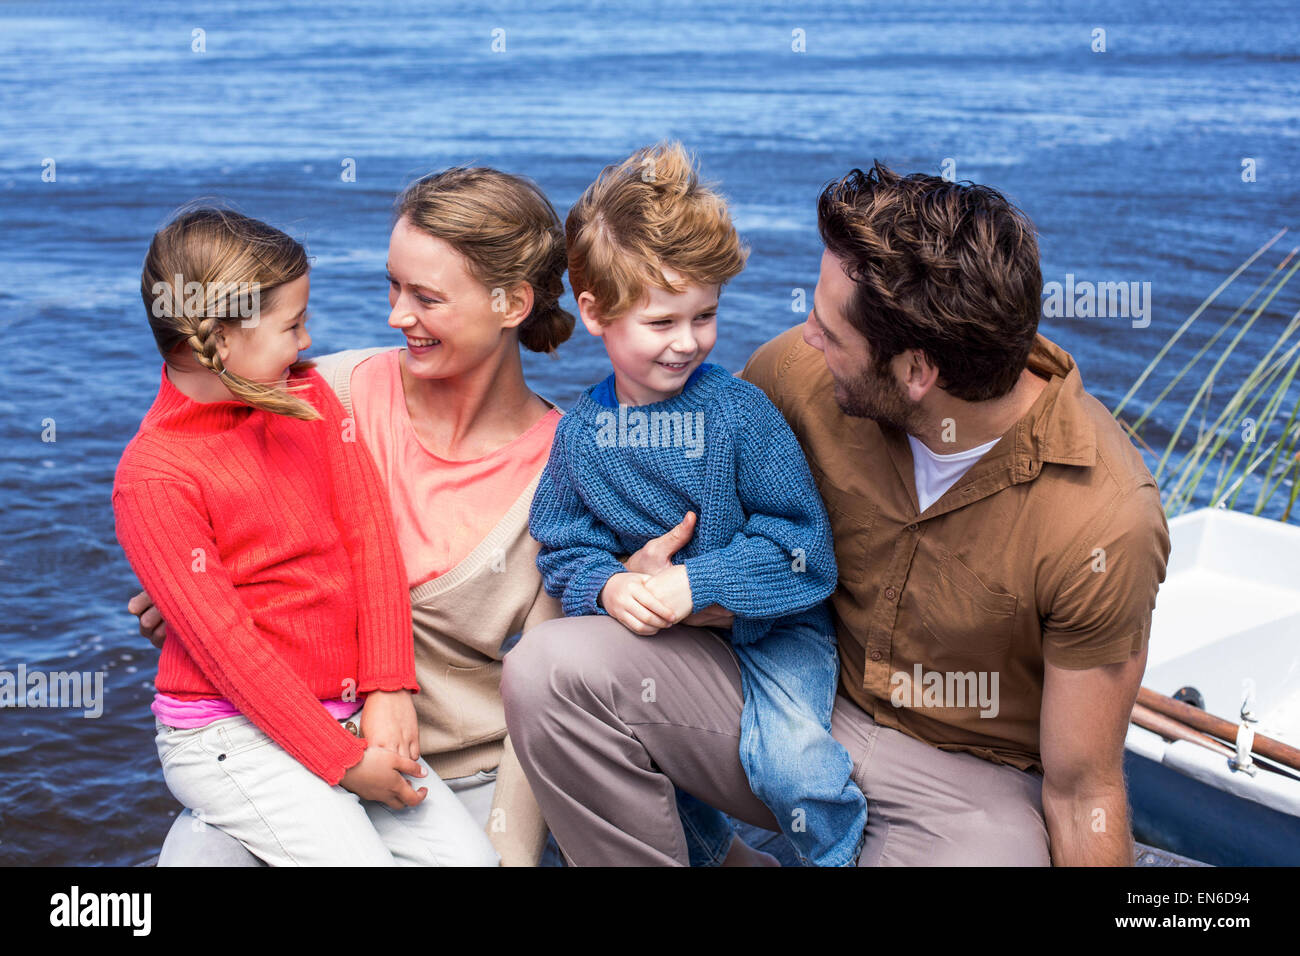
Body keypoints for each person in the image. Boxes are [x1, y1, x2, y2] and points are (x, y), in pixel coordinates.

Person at [502, 161, 1171, 866]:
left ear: (917, 373)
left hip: (963, 788)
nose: (804, 339)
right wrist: (639, 576)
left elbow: (1083, 791)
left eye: (827, 330)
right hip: (777, 701)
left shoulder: (1105, 522)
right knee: (548, 670)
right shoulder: (792, 373)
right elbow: (673, 513)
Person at [128, 168, 768, 866]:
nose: (397, 316)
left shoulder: (577, 467)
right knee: (198, 853)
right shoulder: (316, 393)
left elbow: (554, 698)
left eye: (426, 297)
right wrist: (187, 589)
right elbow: (192, 490)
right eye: (392, 286)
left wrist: (510, 853)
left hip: (475, 777)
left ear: (512, 302)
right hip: (299, 748)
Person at [114, 207, 498, 866]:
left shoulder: (311, 397)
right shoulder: (154, 476)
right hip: (226, 733)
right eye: (292, 325)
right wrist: (342, 764)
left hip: (345, 712)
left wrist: (388, 689)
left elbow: (369, 541)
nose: (306, 340)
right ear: (222, 336)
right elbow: (228, 651)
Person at [523, 142, 867, 867]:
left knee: (794, 768)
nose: (688, 343)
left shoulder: (741, 415)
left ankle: (841, 857)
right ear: (594, 312)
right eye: (661, 323)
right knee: (648, 776)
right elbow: (562, 545)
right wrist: (611, 584)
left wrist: (694, 584)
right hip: (671, 650)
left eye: (704, 316)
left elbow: (804, 553)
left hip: (775, 638)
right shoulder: (581, 438)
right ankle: (726, 858)